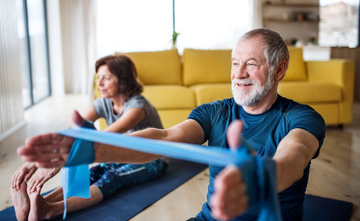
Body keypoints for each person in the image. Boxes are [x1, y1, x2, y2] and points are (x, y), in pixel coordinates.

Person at [18, 28, 325, 221]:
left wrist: (263, 177)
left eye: (251, 64)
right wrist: (92, 150)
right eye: (234, 63)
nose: (239, 73)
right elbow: (165, 137)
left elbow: (293, 157)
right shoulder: (216, 112)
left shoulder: (301, 118)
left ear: (279, 69)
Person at [11, 55, 168, 221]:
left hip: (153, 159)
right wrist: (36, 161)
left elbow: (102, 140)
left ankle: (51, 210)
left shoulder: (137, 106)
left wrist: (62, 159)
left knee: (112, 177)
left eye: (106, 78)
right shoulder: (103, 102)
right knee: (94, 172)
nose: (99, 84)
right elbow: (74, 133)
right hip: (125, 154)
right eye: (98, 78)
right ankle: (38, 203)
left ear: (123, 80)